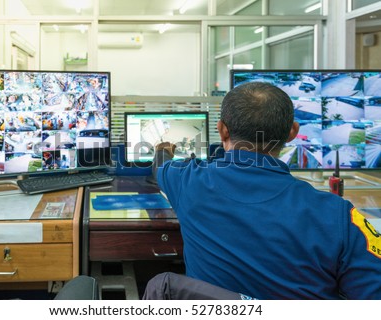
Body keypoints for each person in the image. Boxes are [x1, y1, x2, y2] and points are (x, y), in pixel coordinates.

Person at [154, 81, 381, 299]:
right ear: (292, 132)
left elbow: (160, 166)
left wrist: (163, 148)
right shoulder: (340, 215)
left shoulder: (189, 182)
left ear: (222, 130)